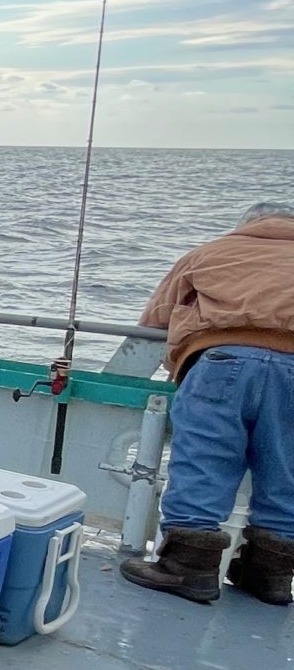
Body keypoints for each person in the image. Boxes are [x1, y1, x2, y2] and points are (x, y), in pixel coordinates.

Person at [120, 202, 294, 607]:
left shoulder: (208, 253)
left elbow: (156, 318)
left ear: (247, 225)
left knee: (205, 459)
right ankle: (271, 575)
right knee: (287, 468)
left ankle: (189, 567)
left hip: (221, 363)